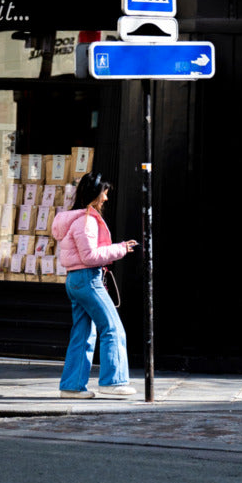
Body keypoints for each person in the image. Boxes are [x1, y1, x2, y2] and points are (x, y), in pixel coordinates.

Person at [51, 171, 138, 398]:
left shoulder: (76, 219)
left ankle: (71, 387)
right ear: (94, 193)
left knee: (83, 332)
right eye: (104, 194)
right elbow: (89, 256)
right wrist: (121, 249)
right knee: (112, 327)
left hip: (75, 280)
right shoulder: (86, 221)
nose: (106, 198)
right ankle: (113, 381)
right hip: (87, 279)